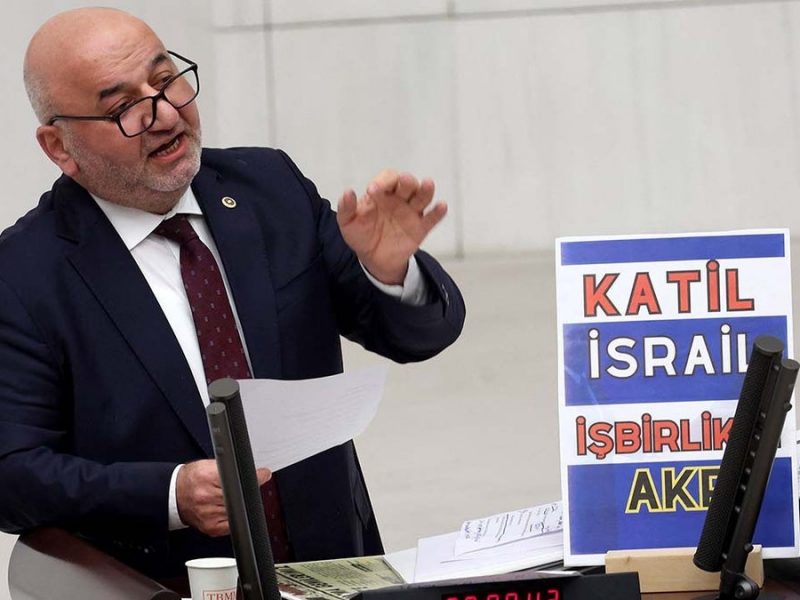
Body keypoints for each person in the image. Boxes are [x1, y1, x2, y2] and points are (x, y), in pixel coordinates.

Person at [0, 6, 465, 582]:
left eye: (166, 80)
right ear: (59, 146)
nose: (165, 114)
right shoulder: (23, 275)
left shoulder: (270, 188)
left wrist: (389, 273)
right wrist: (170, 494)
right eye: (123, 109)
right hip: (163, 583)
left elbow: (415, 338)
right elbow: (13, 476)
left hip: (332, 568)